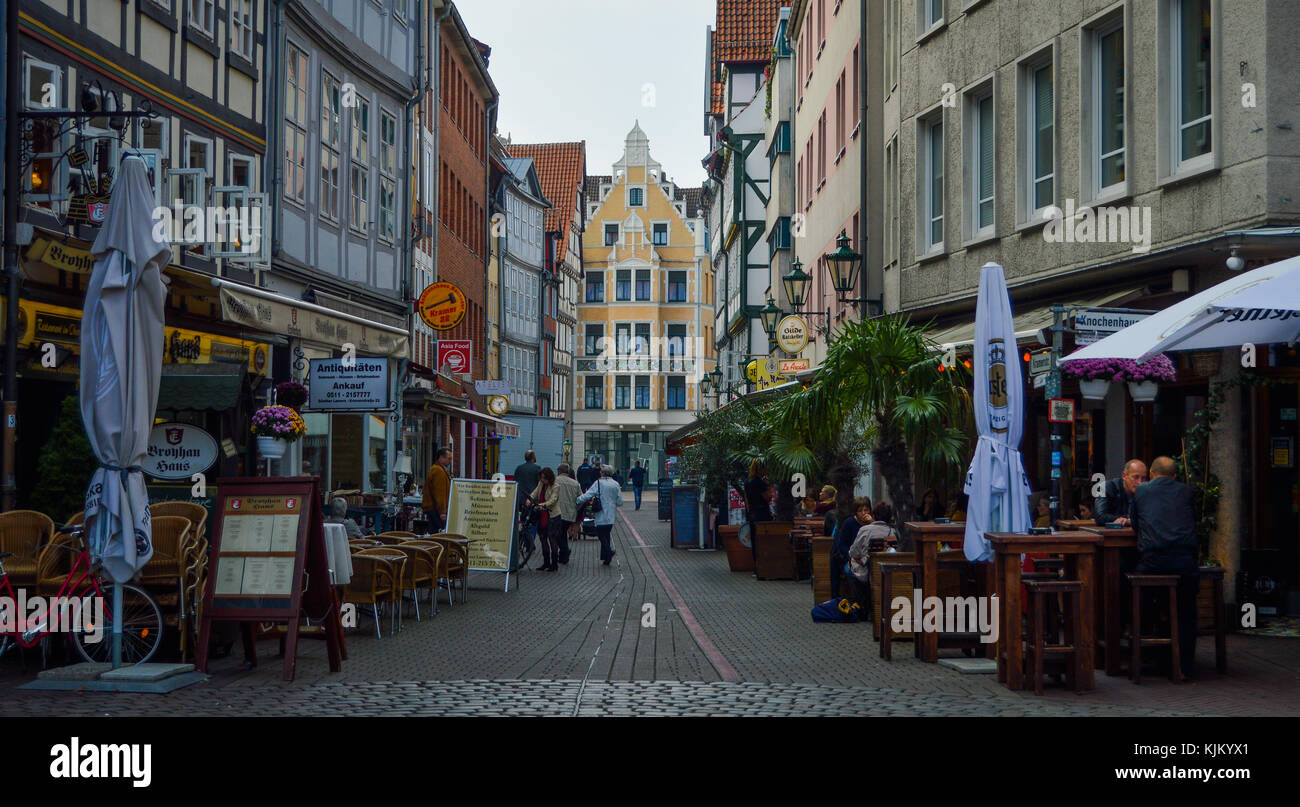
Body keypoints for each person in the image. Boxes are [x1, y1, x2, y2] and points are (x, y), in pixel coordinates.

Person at [1129, 456, 1200, 681]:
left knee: (1137, 595)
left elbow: (1135, 523)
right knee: (1187, 611)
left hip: (1154, 563)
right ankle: (1184, 667)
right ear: (1175, 476)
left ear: (1151, 474)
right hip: (1185, 563)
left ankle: (1144, 656)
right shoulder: (1187, 492)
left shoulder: (1141, 492)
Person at [848, 502, 900, 607]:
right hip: (886, 570)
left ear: (874, 515)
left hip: (866, 569)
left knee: (848, 569)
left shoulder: (865, 530)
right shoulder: (893, 531)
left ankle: (860, 606)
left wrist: (856, 558)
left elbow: (854, 552)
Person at [577, 465, 624, 565]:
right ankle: (606, 558)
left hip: (600, 512)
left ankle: (609, 551)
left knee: (600, 533)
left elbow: (588, 494)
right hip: (611, 514)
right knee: (607, 534)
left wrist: (578, 500)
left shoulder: (598, 483)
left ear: (603, 473)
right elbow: (620, 502)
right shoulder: (615, 484)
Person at [830, 497, 872, 600]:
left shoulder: (872, 523)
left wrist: (871, 523)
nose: (863, 513)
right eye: (860, 511)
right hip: (852, 558)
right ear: (856, 512)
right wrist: (852, 557)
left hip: (868, 559)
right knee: (851, 572)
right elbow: (842, 545)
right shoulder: (849, 523)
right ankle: (857, 601)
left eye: (866, 510)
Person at [1095, 459, 1148, 526]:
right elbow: (1100, 517)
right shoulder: (1106, 487)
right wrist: (1129, 520)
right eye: (1136, 477)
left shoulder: (1145, 491)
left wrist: (1129, 521)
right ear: (1124, 476)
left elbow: (1150, 517)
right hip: (1110, 534)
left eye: (1143, 478)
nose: (1140, 482)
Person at [551, 463, 582, 565]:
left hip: (557, 513)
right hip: (570, 514)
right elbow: (581, 499)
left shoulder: (554, 481)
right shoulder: (575, 483)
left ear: (559, 471)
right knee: (562, 532)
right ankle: (563, 554)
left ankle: (564, 552)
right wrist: (575, 508)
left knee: (557, 534)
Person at [529, 467, 558, 571]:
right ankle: (546, 562)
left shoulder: (555, 486)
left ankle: (554, 564)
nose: (542, 480)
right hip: (542, 514)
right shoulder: (541, 484)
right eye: (541, 478)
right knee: (542, 538)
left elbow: (553, 500)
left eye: (544, 478)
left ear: (549, 478)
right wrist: (530, 499)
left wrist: (542, 505)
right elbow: (535, 492)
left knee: (552, 539)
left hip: (552, 515)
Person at [421, 448, 453, 532]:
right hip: (435, 509)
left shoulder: (438, 469)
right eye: (449, 458)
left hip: (433, 508)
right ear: (441, 458)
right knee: (439, 532)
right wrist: (442, 511)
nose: (450, 461)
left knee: (434, 530)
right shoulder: (439, 471)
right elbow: (440, 493)